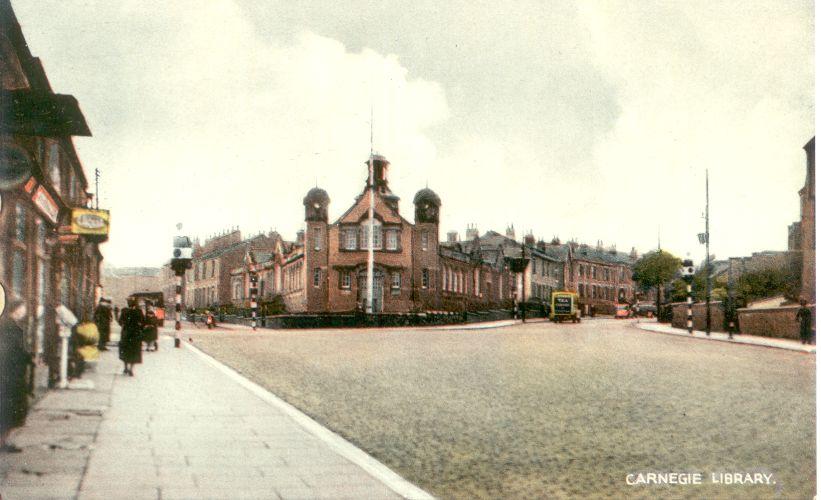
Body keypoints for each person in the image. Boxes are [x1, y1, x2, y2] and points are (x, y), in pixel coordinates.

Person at [0, 299, 34, 453]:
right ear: (17, 310)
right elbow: (13, 352)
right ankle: (2, 442)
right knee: (10, 409)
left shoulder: (11, 326)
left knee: (11, 409)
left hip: (11, 374)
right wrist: (28, 357)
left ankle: (4, 441)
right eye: (23, 308)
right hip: (10, 375)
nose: (24, 311)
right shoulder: (10, 328)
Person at [117, 299, 144, 376]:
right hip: (135, 334)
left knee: (125, 351)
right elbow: (143, 322)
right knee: (134, 352)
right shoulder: (139, 311)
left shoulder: (124, 311)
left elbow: (120, 322)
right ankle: (131, 369)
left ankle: (125, 367)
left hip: (126, 334)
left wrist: (125, 324)